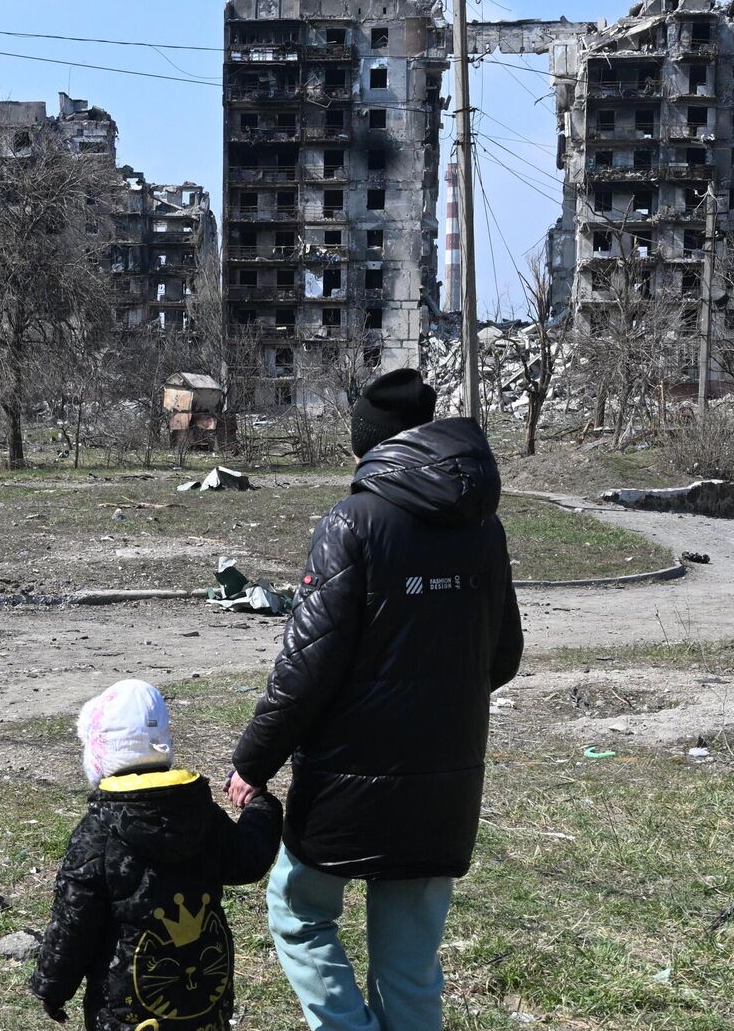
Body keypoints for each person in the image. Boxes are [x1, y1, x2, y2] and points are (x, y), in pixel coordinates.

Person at [227, 368, 524, 1031]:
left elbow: (306, 670)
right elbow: (501, 657)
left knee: (299, 912)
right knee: (411, 967)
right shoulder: (485, 525)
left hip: (345, 781)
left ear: (370, 446)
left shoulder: (351, 524)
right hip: (446, 779)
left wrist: (252, 763)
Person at [31, 679, 282, 1030]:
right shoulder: (201, 814)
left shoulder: (97, 833)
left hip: (127, 1010)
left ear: (97, 753)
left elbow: (74, 922)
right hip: (204, 999)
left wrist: (53, 987)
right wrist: (263, 806)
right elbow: (250, 857)